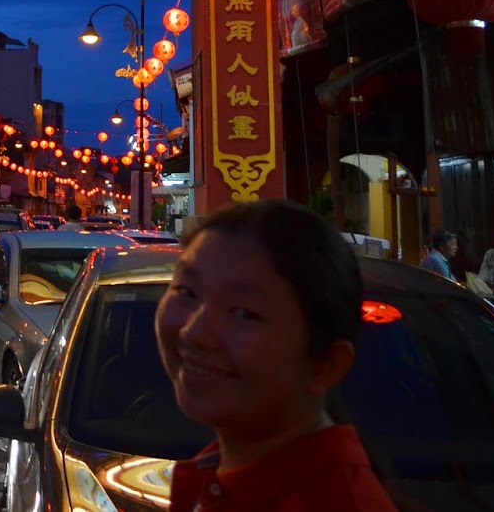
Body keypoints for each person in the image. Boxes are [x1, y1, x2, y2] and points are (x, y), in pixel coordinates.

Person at [158, 200, 396, 512]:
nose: (194, 333)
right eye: (187, 292)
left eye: (244, 313)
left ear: (325, 365)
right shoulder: (217, 475)